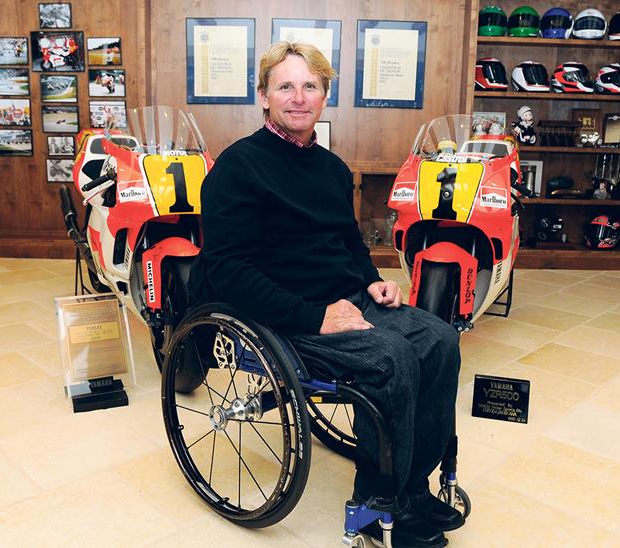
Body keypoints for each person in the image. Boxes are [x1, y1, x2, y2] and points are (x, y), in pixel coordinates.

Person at [188, 41, 462, 548]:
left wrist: (372, 278)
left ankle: (411, 490)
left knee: (441, 340)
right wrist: (314, 318)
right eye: (285, 86)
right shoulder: (237, 167)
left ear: (324, 96)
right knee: (392, 356)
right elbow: (226, 269)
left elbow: (348, 242)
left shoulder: (333, 169)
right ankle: (377, 508)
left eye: (309, 86)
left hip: (344, 299)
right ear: (264, 97)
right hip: (285, 315)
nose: (298, 97)